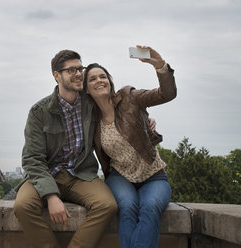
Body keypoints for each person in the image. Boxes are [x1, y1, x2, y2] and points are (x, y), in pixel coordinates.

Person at [13, 49, 118, 248]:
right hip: (47, 174)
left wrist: (145, 119)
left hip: (81, 174)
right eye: (71, 70)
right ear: (56, 75)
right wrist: (51, 196)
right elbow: (32, 159)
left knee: (107, 205)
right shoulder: (39, 112)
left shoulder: (91, 103)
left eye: (80, 68)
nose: (79, 74)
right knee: (22, 206)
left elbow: (118, 106)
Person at [83, 45, 177, 248]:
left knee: (150, 207)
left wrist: (160, 66)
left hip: (154, 175)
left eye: (102, 76)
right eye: (92, 79)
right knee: (127, 207)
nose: (99, 80)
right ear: (87, 89)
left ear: (109, 81)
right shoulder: (90, 121)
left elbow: (166, 94)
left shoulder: (129, 97)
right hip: (120, 177)